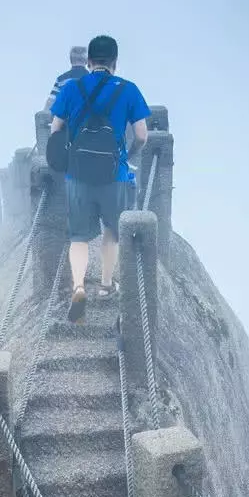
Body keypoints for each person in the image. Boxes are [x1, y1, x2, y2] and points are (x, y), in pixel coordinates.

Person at [49, 35, 150, 323]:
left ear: (90, 62)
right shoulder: (129, 90)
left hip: (78, 174)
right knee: (112, 231)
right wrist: (128, 156)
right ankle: (106, 286)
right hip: (114, 174)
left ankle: (79, 286)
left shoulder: (72, 88)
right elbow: (142, 135)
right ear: (115, 63)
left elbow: (55, 128)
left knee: (78, 236)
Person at [44, 46, 88, 110]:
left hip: (65, 117)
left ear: (71, 60)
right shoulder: (94, 79)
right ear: (87, 61)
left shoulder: (61, 79)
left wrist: (44, 113)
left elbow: (51, 101)